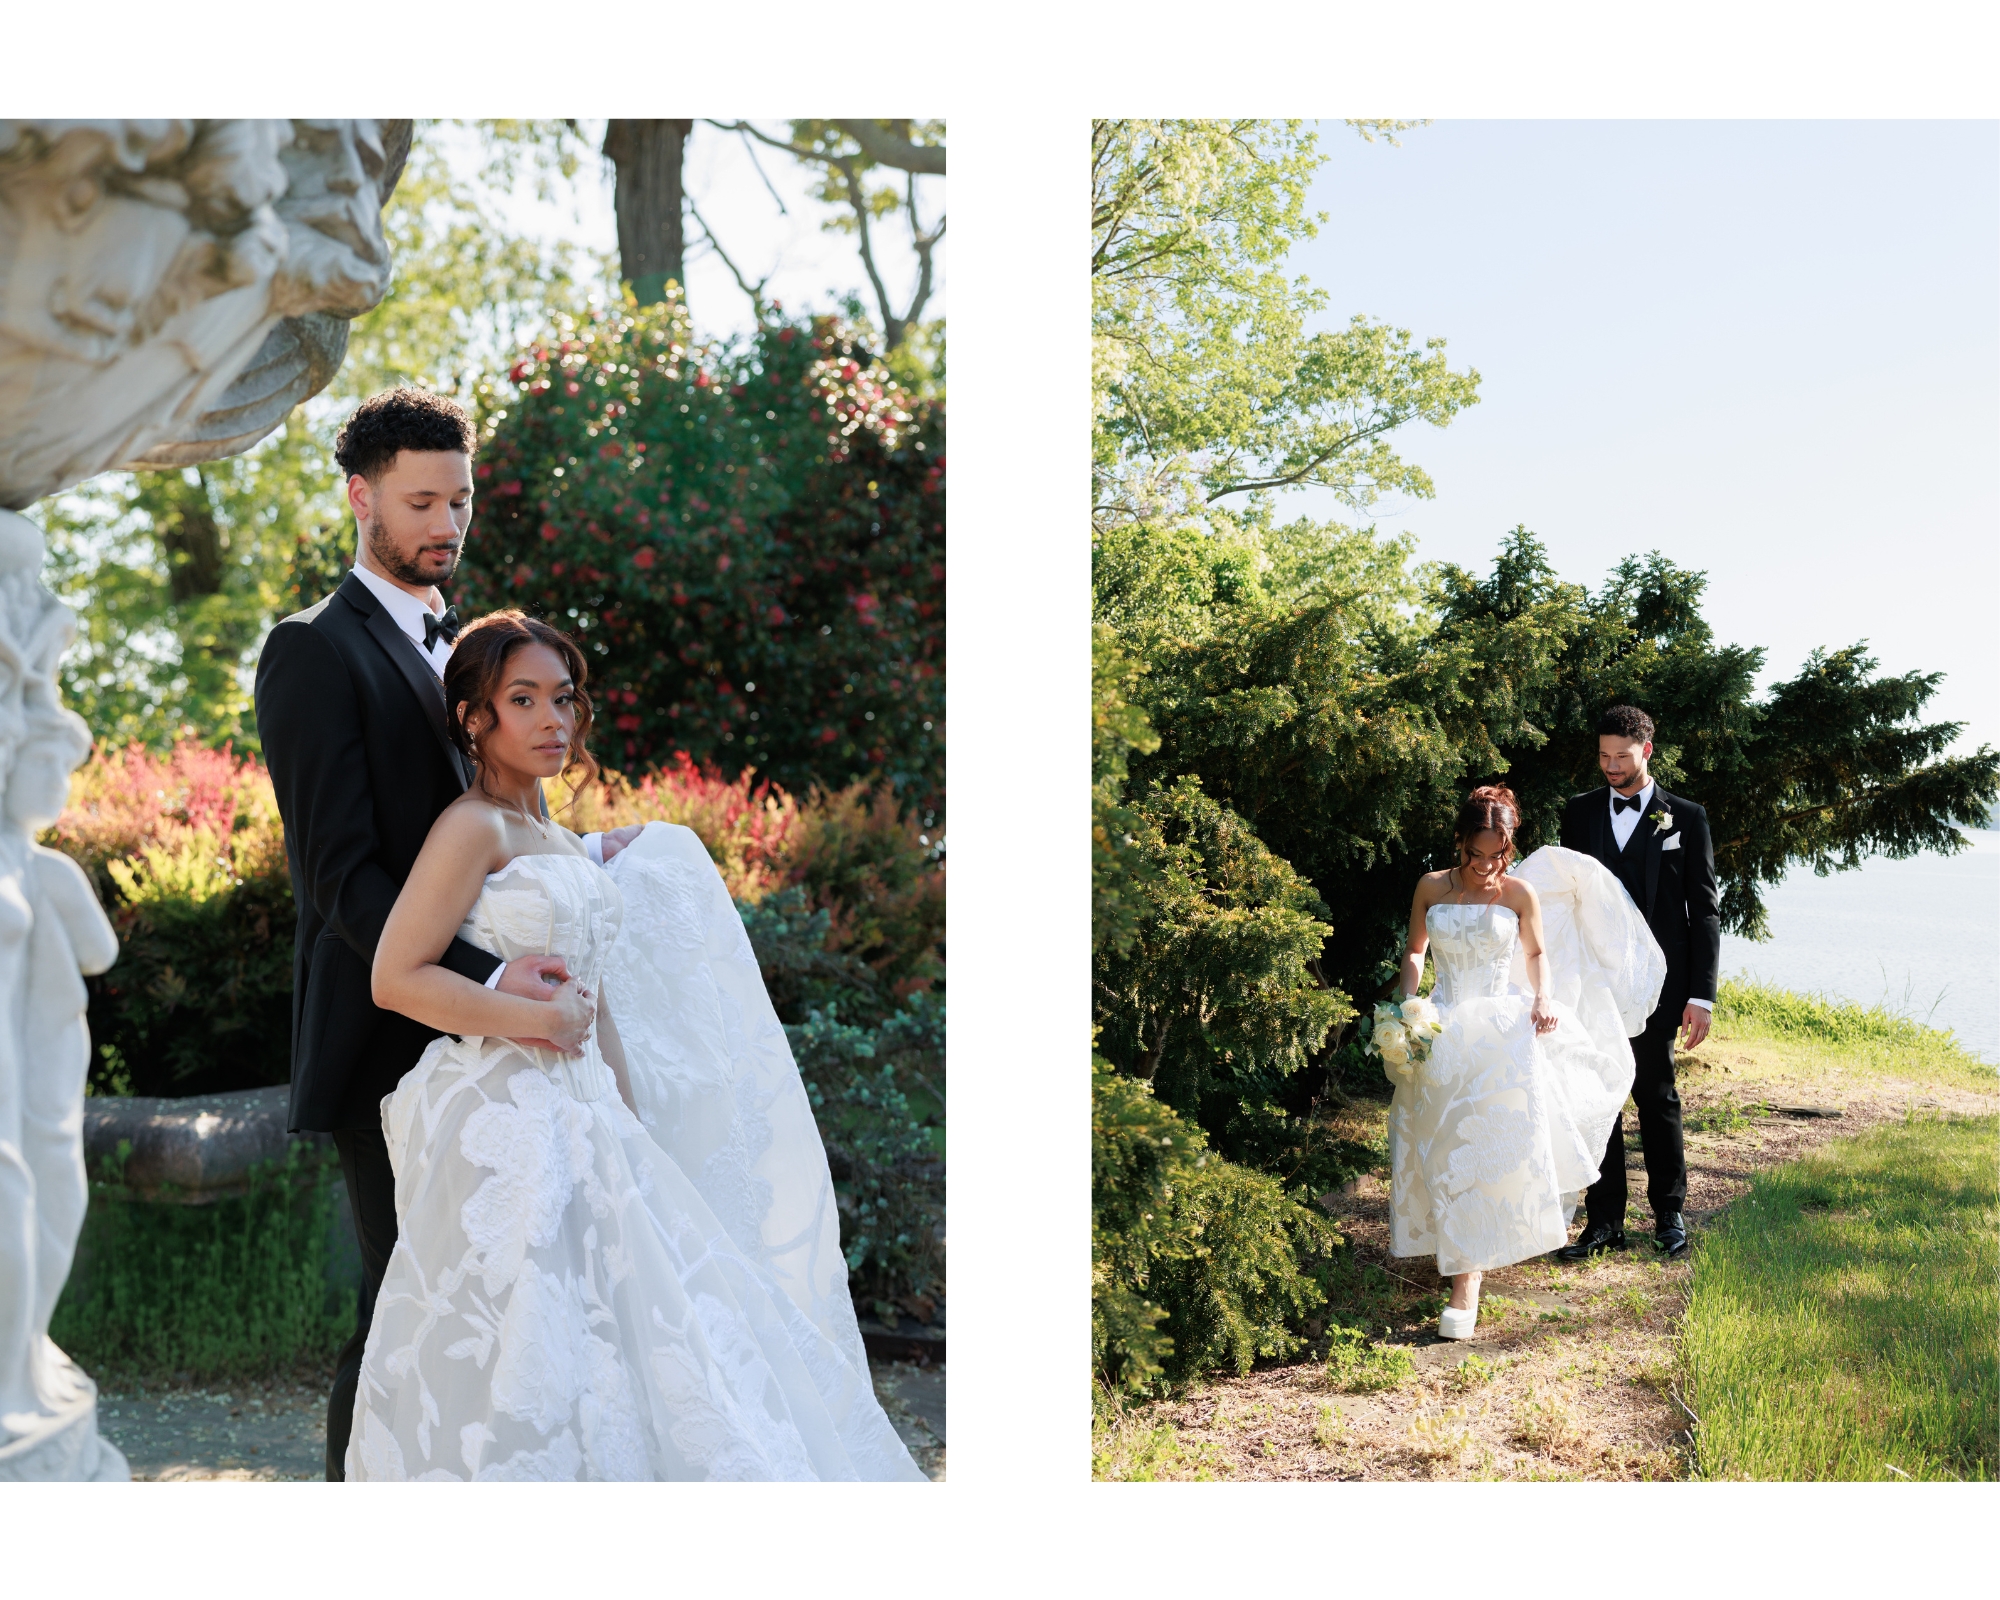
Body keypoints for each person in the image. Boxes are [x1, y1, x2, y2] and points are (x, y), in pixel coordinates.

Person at [348, 611, 923, 1479]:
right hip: (507, 1122)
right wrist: (536, 1023)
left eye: (565, 698)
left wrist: (628, 1109)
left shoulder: (551, 838)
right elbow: (396, 977)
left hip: (590, 1120)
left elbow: (596, 991)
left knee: (633, 1339)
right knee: (524, 1348)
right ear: (476, 720)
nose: (554, 720)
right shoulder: (473, 829)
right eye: (524, 700)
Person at [253, 389, 643, 1479]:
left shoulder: (476, 649)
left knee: (515, 1312)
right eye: (420, 500)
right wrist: (488, 973)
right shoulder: (310, 652)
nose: (445, 523)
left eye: (459, 500)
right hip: (389, 1036)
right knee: (402, 1309)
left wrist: (577, 869)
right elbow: (339, 874)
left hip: (512, 1047)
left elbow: (498, 825)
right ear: (359, 496)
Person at [1387, 786, 1664, 1339]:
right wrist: (1408, 1005)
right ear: (1459, 842)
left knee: (1485, 1146)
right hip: (1442, 1023)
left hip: (1497, 1031)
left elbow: (1536, 954)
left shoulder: (1517, 894)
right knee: (1435, 1140)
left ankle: (1468, 1278)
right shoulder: (1430, 887)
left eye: (1498, 855)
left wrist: (1541, 997)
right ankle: (1454, 1238)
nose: (1487, 866)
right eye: (1476, 854)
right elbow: (1417, 951)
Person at [1556, 706, 1722, 1261]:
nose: (1610, 766)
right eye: (1603, 756)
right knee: (1598, 1092)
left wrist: (1701, 994)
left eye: (1621, 757)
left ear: (1646, 751)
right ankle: (1604, 1222)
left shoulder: (1687, 818)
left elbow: (1703, 912)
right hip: (1594, 984)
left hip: (1659, 986)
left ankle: (1669, 1216)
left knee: (1656, 1095)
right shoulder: (1578, 815)